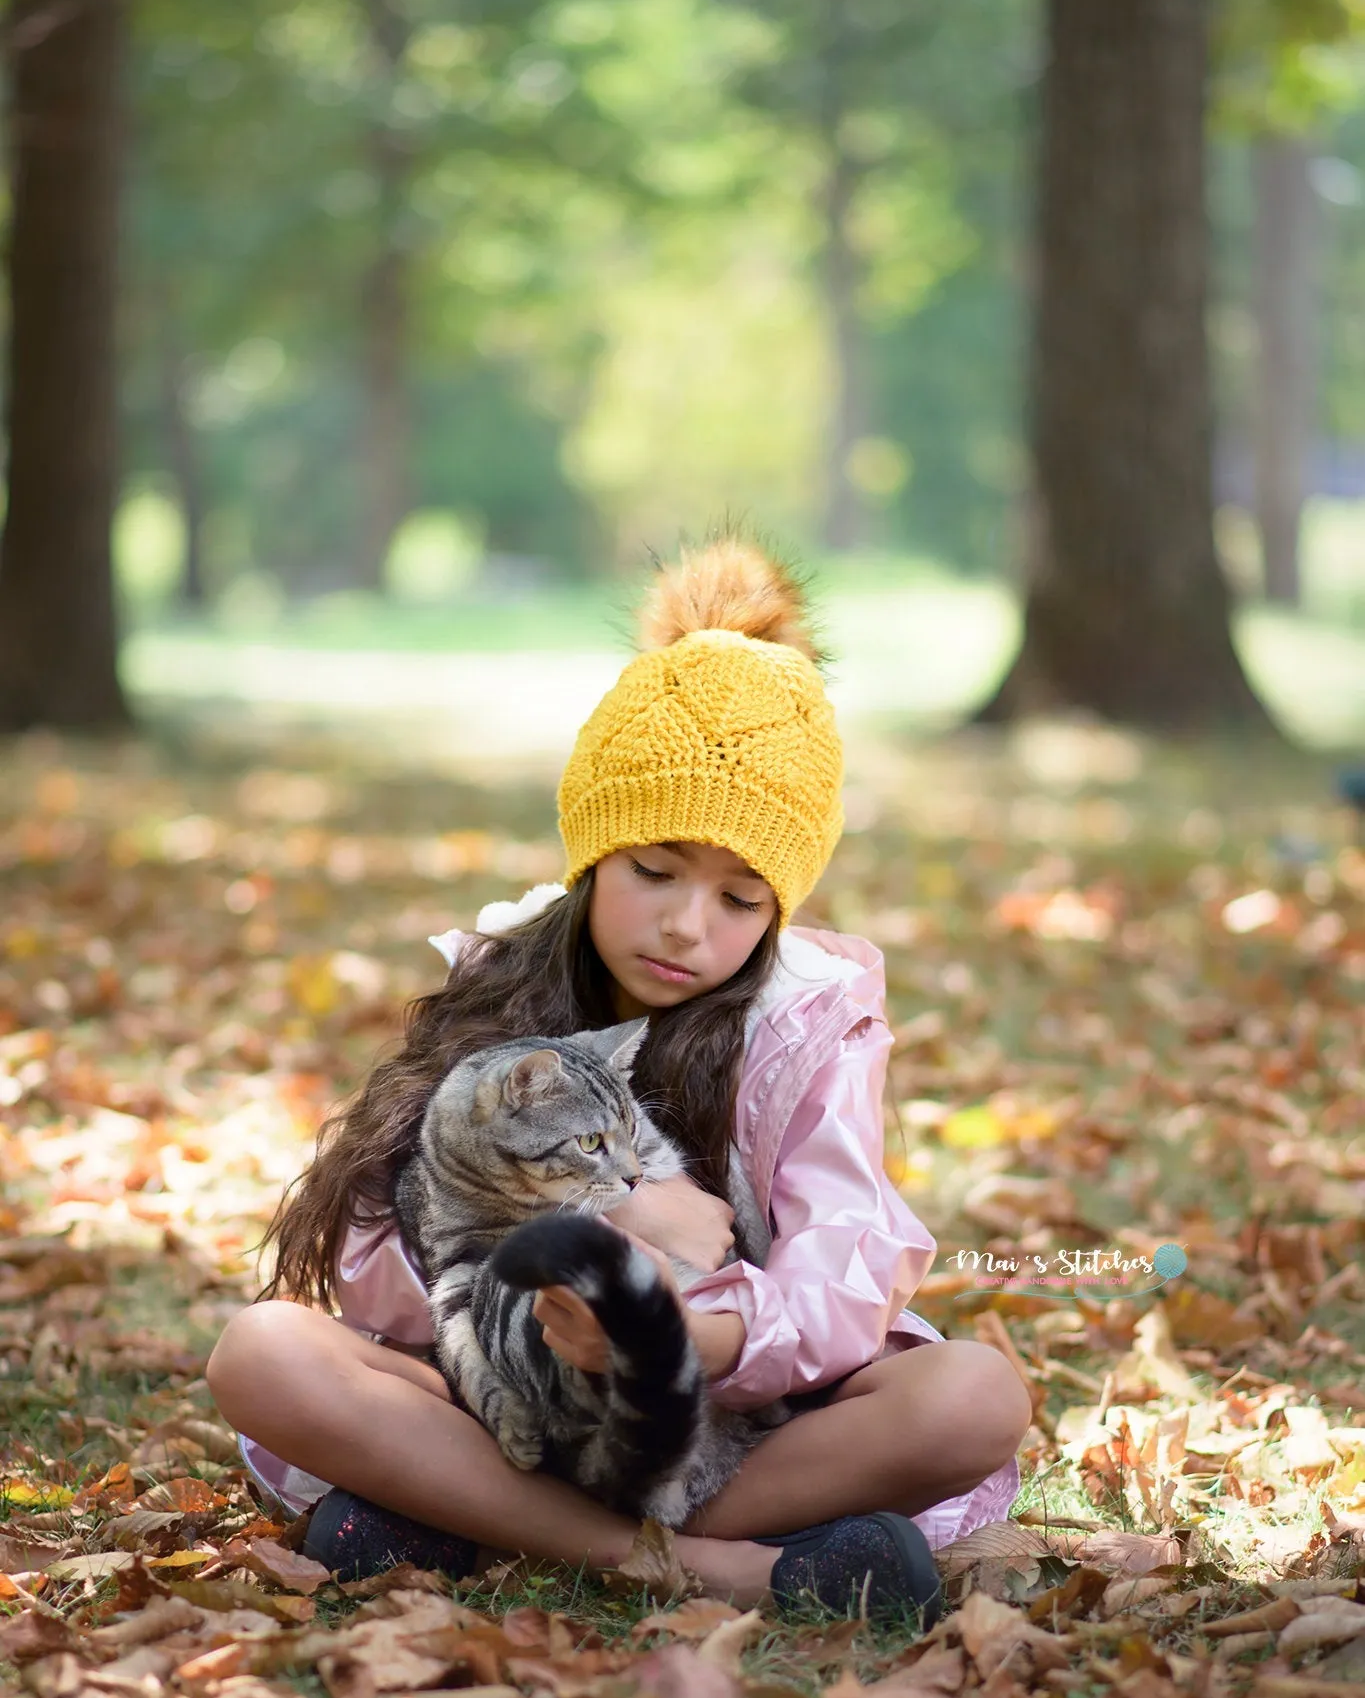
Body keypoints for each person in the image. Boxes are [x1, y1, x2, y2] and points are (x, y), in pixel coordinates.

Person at [207, 542, 1031, 1617]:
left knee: (974, 1395)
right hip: (499, 1395)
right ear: (594, 853)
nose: (690, 924)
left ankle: (469, 1522)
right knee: (262, 1351)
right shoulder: (498, 987)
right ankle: (706, 1566)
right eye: (654, 872)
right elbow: (370, 1259)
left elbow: (850, 1269)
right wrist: (603, 1230)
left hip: (720, 1416)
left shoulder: (808, 1022)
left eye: (743, 898)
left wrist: (682, 1327)